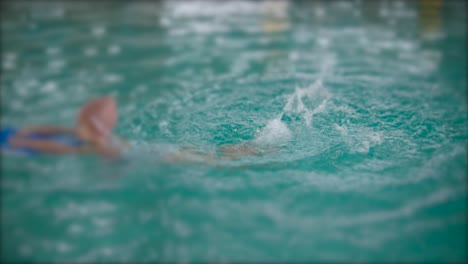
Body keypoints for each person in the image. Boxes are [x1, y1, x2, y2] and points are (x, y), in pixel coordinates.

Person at [0, 96, 123, 158]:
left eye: (79, 123)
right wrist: (30, 133)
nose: (76, 126)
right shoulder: (96, 136)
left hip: (20, 141)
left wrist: (29, 142)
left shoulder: (96, 146)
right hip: (22, 140)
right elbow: (57, 133)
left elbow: (58, 147)